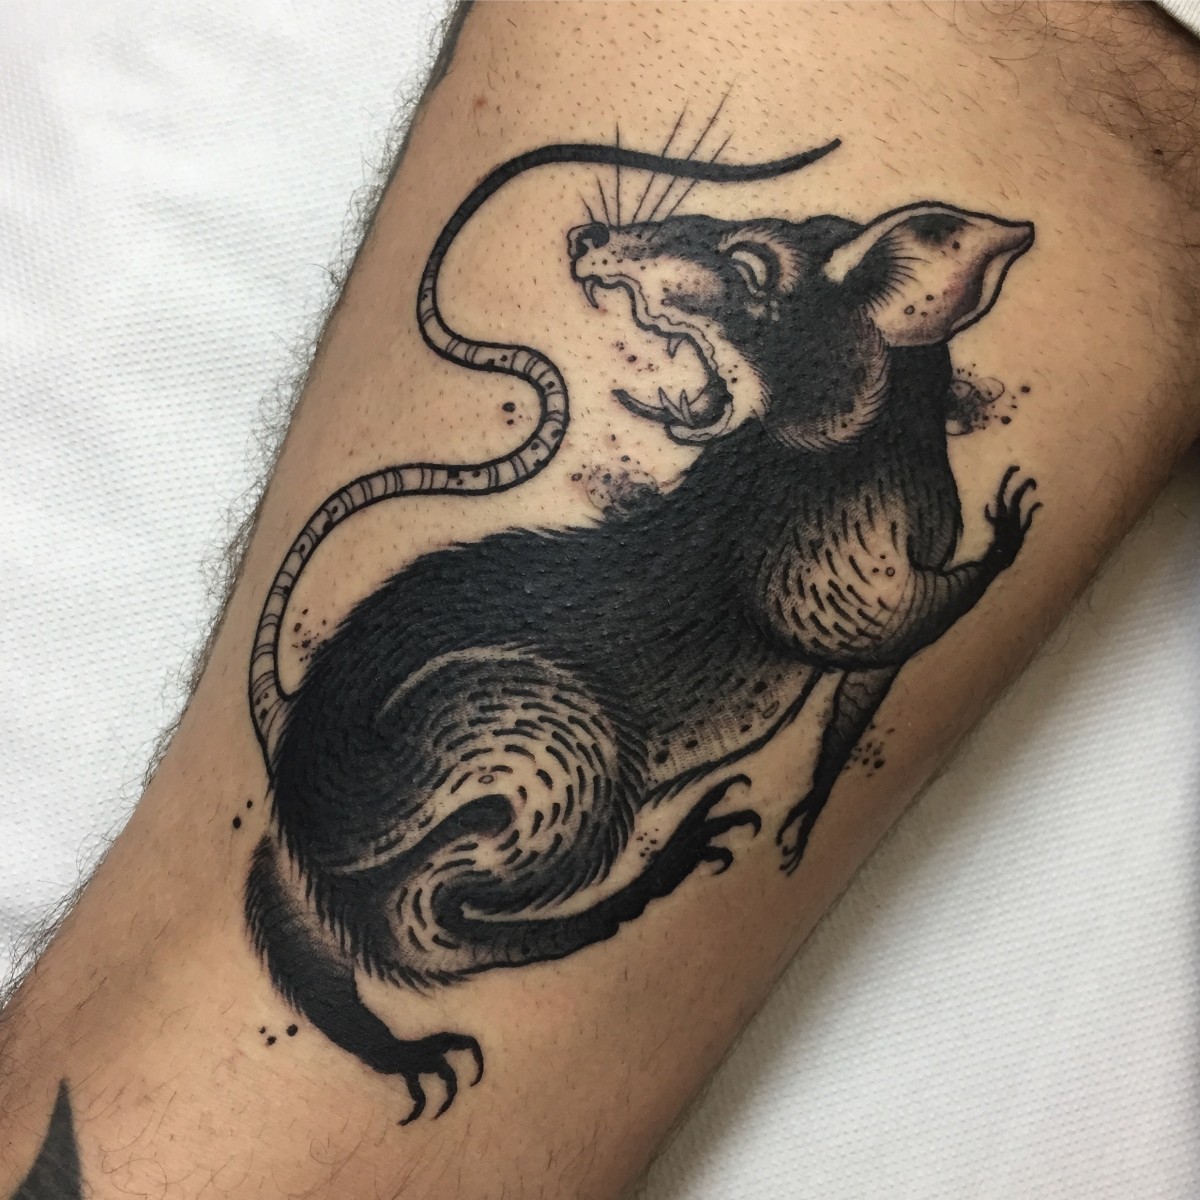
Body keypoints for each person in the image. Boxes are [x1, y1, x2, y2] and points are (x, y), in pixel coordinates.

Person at [2, 3, 1198, 1197]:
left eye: (745, 277)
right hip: (424, 771)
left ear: (910, 297)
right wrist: (975, 567)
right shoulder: (817, 487)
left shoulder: (828, 470)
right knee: (536, 796)